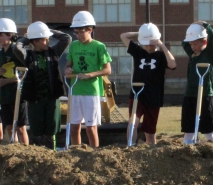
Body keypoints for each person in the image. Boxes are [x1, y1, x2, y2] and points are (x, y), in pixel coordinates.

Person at [13, 21, 72, 149]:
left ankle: (52, 152)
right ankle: (38, 153)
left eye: (48, 39)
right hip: (35, 99)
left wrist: (47, 30)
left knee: (51, 130)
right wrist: (27, 37)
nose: (48, 42)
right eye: (44, 39)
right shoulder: (27, 56)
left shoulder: (53, 52)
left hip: (52, 98)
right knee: (37, 131)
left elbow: (66, 38)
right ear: (34, 42)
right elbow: (17, 47)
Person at [120, 23, 177, 145]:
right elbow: (123, 36)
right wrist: (140, 34)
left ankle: (151, 150)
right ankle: (131, 146)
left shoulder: (161, 56)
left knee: (150, 131)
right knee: (133, 121)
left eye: (151, 43)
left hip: (154, 96)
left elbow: (172, 64)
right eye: (146, 43)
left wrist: (161, 44)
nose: (149, 46)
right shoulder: (138, 52)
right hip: (137, 94)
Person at [64, 11, 112, 148]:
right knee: (74, 127)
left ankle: (94, 154)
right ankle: (75, 151)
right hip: (75, 90)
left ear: (89, 30)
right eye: (75, 32)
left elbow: (107, 70)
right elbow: (68, 66)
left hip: (91, 91)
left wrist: (90, 75)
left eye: (80, 32)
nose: (77, 35)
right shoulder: (73, 46)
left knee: (91, 128)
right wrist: (68, 70)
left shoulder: (99, 46)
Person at [0, 18, 29, 144]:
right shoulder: (0, 53)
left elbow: (25, 73)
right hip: (5, 95)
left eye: (1, 34)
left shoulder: (17, 51)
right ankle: (15, 149)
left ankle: (26, 152)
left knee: (20, 127)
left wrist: (6, 82)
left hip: (17, 94)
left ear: (10, 34)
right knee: (8, 127)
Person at [181, 21, 213, 144]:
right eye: (191, 44)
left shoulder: (209, 54)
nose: (192, 47)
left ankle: (212, 144)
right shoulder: (192, 54)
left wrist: (205, 25)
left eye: (195, 44)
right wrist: (192, 29)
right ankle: (188, 145)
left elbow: (212, 37)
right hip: (190, 94)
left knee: (207, 125)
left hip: (205, 94)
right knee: (189, 126)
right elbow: (184, 43)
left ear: (205, 42)